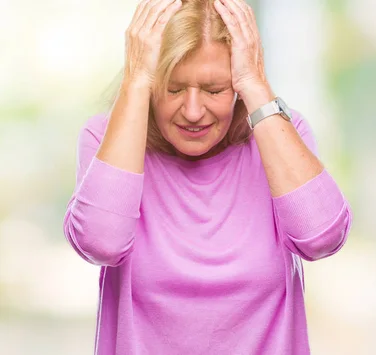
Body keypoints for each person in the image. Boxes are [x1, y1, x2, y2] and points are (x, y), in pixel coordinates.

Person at [62, 0, 352, 354]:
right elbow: (100, 243)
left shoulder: (277, 139)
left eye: (214, 90)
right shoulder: (103, 140)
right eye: (174, 88)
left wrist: (255, 83)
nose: (194, 111)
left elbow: (321, 236)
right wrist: (136, 80)